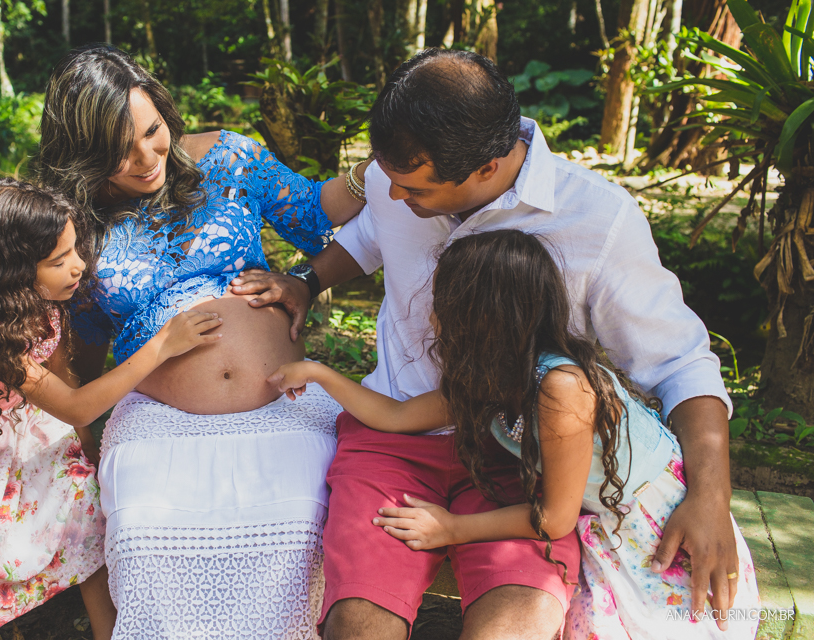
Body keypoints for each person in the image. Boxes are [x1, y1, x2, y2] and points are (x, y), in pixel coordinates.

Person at [232, 48, 741, 639]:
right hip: (392, 441)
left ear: (485, 168)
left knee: (513, 629)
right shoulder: (398, 173)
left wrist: (710, 496)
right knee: (359, 626)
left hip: (519, 460)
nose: (393, 196)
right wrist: (308, 280)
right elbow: (373, 231)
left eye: (413, 188)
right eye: (387, 179)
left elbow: (680, 362)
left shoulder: (598, 222)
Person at [268, 230, 760, 640]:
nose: (432, 313)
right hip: (602, 517)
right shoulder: (494, 371)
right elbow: (399, 417)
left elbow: (553, 519)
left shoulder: (560, 390)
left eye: (443, 301)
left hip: (645, 533)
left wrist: (449, 529)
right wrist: (319, 374)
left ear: (481, 318)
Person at [36, 45, 367, 639]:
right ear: (84, 157)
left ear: (165, 112)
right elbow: (79, 358)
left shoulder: (232, 158)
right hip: (157, 418)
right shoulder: (76, 226)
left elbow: (318, 210)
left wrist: (366, 181)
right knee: (140, 532)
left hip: (284, 405)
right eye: (118, 152)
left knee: (304, 520)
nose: (144, 159)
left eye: (152, 132)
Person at [0, 179, 223, 640]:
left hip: (20, 416)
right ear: (9, 274)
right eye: (59, 260)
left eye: (75, 251)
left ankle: (110, 630)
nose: (78, 266)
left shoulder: (40, 301)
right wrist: (162, 345)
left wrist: (86, 449)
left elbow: (63, 376)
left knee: (87, 503)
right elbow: (74, 405)